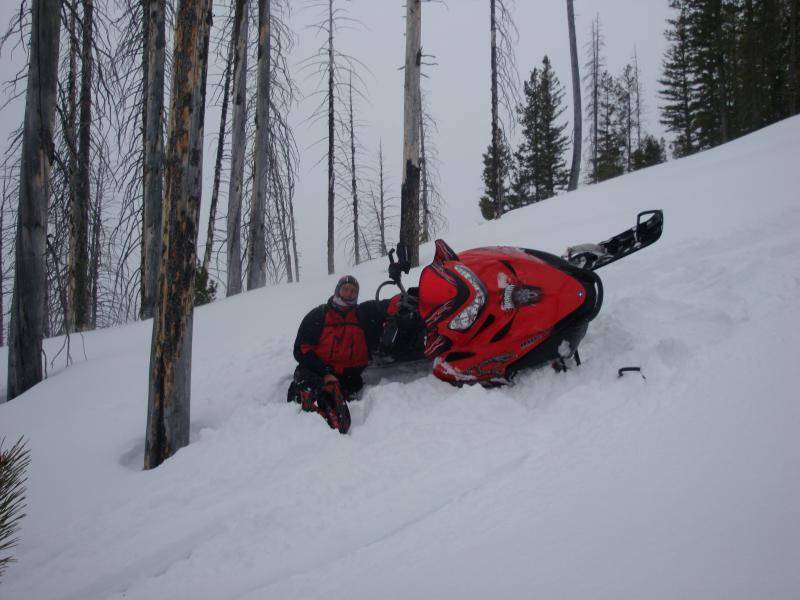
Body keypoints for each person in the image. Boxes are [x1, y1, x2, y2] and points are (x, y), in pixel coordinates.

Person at [288, 276, 386, 422]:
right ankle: (308, 403)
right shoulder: (319, 315)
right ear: (337, 290)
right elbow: (301, 349)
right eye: (345, 289)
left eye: (353, 291)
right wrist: (326, 372)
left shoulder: (363, 314)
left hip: (349, 378)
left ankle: (329, 407)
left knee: (345, 391)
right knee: (306, 377)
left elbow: (387, 305)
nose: (349, 294)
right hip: (319, 370)